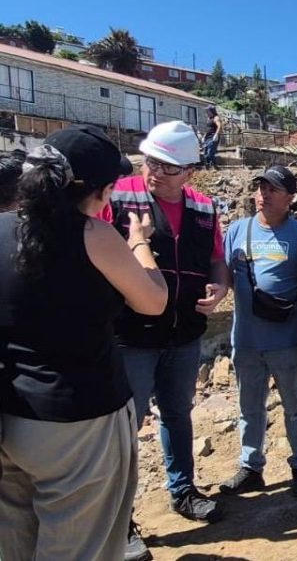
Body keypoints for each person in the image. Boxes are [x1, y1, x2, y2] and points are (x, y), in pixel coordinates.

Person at [0, 126, 167, 561]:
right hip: (79, 421)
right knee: (81, 546)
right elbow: (153, 301)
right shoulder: (93, 234)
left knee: (15, 541)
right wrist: (139, 242)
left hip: (11, 416)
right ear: (102, 190)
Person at [99, 120, 230, 560]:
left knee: (177, 414)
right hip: (130, 336)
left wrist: (220, 287)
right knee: (125, 429)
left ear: (190, 170)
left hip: (184, 334)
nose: (156, 172)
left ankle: (183, 490)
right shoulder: (118, 197)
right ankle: (120, 520)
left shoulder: (204, 208)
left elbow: (216, 259)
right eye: (151, 162)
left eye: (168, 167)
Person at [219, 166, 297, 499]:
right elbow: (223, 274)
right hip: (245, 340)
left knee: (295, 407)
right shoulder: (237, 230)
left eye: (273, 189)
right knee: (249, 407)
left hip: (287, 342)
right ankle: (251, 468)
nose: (264, 195)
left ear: (290, 198)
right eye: (261, 188)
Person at [203, 105, 222, 170]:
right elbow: (207, 129)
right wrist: (204, 136)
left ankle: (215, 167)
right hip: (207, 137)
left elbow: (219, 126)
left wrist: (216, 135)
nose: (207, 112)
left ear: (212, 111)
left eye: (208, 111)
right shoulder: (208, 119)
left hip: (213, 137)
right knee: (205, 153)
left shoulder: (216, 118)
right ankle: (207, 168)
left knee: (210, 153)